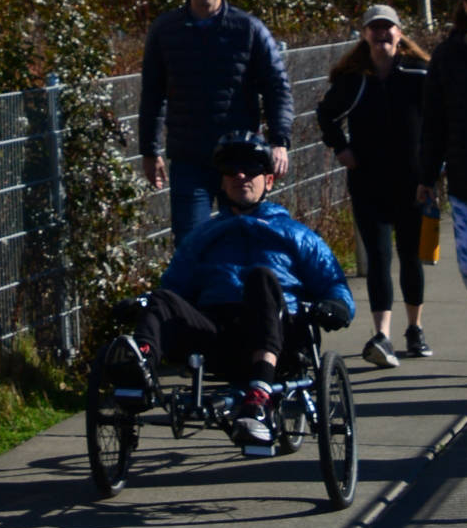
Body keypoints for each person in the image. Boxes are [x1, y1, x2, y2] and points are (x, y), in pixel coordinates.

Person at [136, 135, 354, 449]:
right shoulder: (204, 236)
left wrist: (337, 306)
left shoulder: (295, 234)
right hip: (218, 334)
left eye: (250, 170)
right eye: (231, 171)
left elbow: (334, 282)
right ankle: (138, 372)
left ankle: (260, 395)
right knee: (159, 300)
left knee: (261, 278)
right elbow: (173, 287)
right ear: (222, 183)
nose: (240, 176)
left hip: (280, 332)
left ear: (267, 181)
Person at [140, 0, 294, 237]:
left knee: (243, 239)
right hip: (189, 158)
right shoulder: (165, 30)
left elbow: (277, 87)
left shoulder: (249, 29)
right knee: (191, 244)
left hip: (240, 160)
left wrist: (279, 140)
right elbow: (152, 93)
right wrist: (149, 150)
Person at [317, 4, 432, 365]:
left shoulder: (419, 74)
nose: (381, 35)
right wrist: (341, 148)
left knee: (414, 256)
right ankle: (381, 334)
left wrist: (433, 171)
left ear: (400, 33)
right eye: (374, 29)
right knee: (379, 258)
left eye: (388, 29)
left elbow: (440, 120)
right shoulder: (353, 79)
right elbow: (326, 114)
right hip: (368, 183)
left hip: (415, 184)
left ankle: (414, 329)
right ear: (365, 35)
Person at [417, 0, 467, 366]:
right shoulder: (448, 56)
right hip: (466, 181)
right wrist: (426, 177)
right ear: (464, 6)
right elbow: (433, 122)